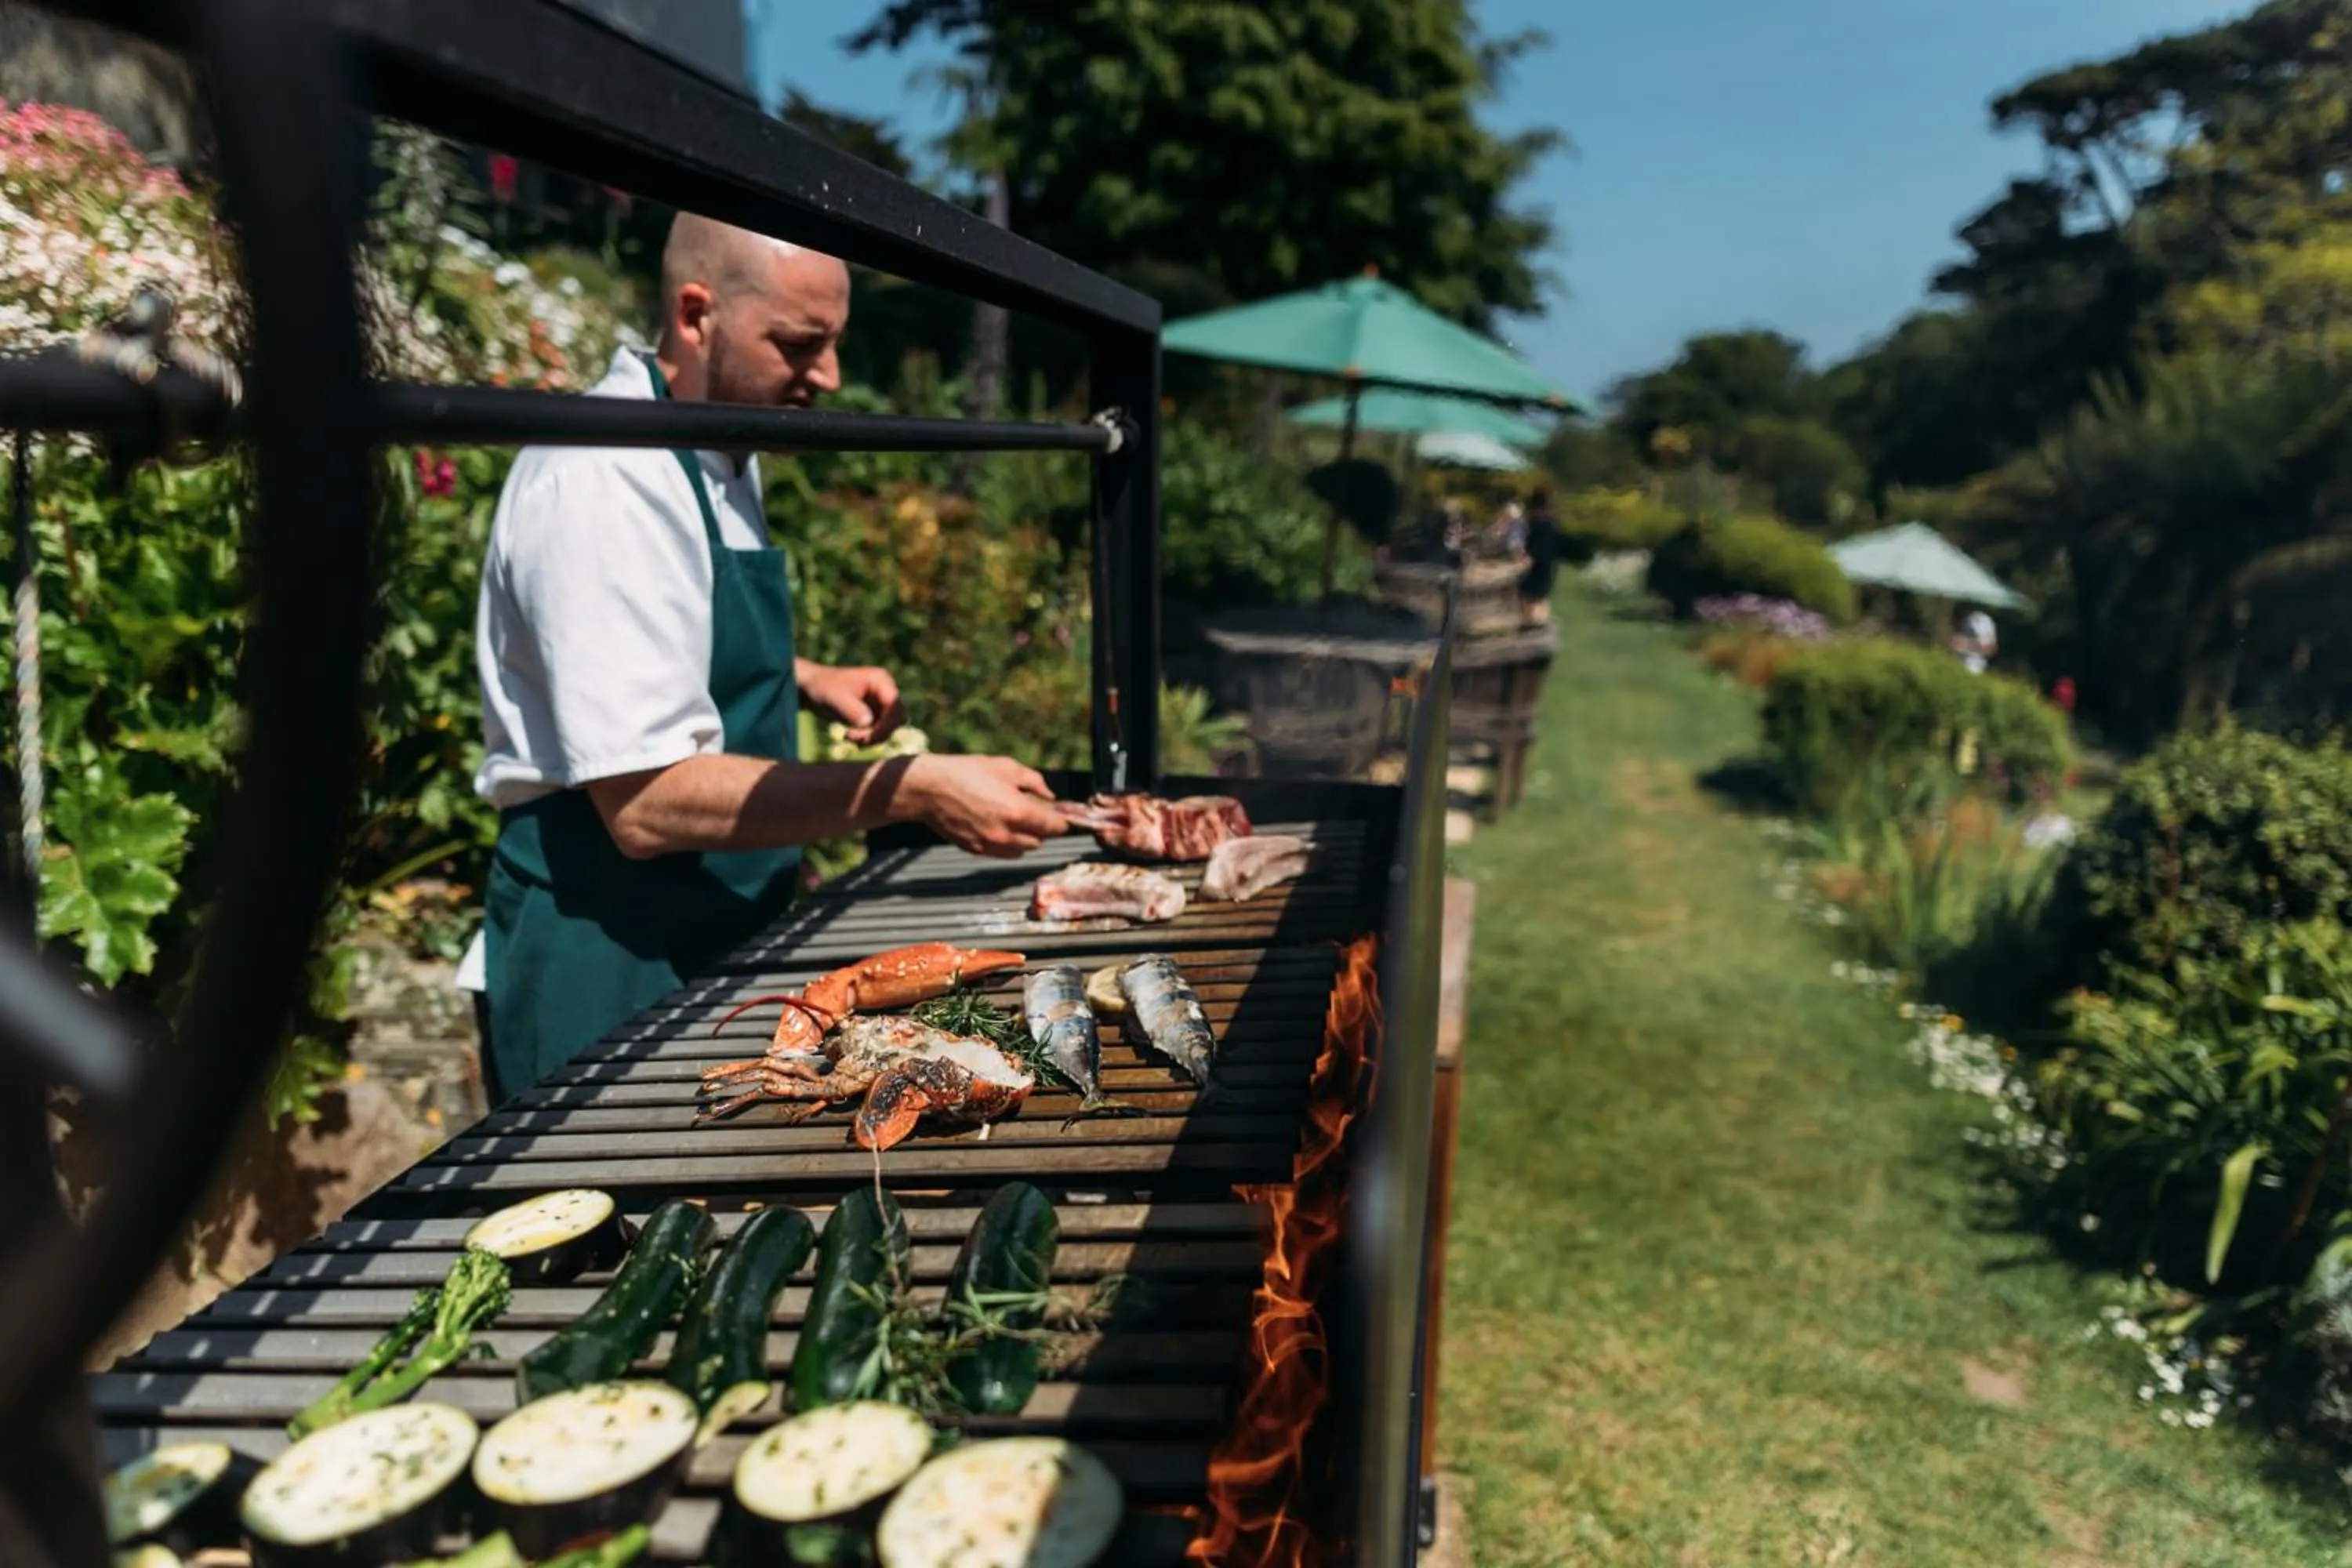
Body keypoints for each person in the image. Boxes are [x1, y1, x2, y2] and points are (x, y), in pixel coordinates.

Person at [459, 214, 1067, 1104]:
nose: (827, 376)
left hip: (709, 926)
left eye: (833, 344)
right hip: (607, 953)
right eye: (798, 343)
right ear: (696, 314)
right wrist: (912, 787)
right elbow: (646, 800)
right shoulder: (604, 475)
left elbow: (654, 631)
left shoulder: (716, 442)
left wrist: (806, 676)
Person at [1517, 486, 1564, 624]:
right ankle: (1539, 625)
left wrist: (1522, 563)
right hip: (1548, 565)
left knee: (1531, 599)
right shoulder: (1553, 522)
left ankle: (1535, 627)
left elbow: (1534, 550)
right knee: (1540, 598)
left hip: (1536, 567)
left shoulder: (1540, 524)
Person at [1952, 607, 1998, 674]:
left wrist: (1967, 645)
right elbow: (1953, 641)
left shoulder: (1984, 622)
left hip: (1975, 667)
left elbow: (1990, 649)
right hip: (1956, 663)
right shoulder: (1964, 622)